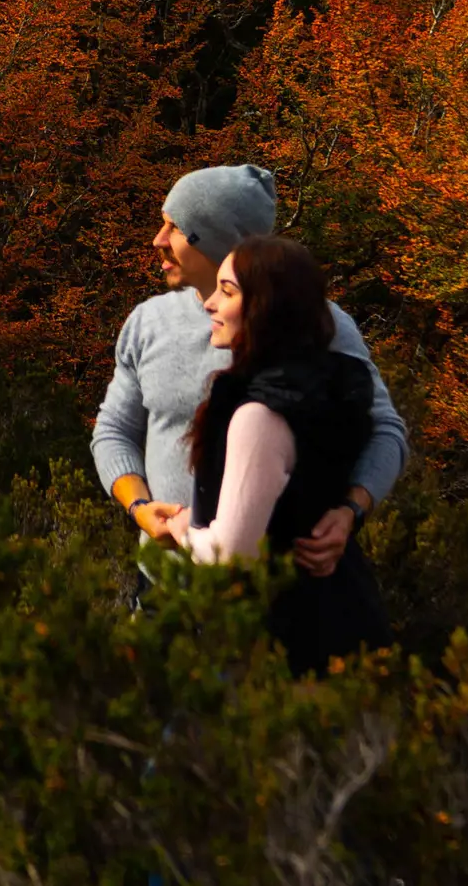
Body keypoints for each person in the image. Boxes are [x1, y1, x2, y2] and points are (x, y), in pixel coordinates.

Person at [92, 163, 404, 575]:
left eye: (176, 228)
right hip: (162, 599)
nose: (158, 240)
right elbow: (114, 430)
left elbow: (386, 430)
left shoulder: (316, 323)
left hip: (274, 608)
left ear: (223, 242)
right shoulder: (148, 324)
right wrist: (140, 508)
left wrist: (351, 511)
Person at [168, 236, 395, 672]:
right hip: (349, 627)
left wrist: (182, 529)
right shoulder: (327, 388)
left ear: (266, 307)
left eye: (228, 292)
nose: (210, 304)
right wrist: (352, 509)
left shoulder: (261, 414)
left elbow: (231, 556)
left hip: (281, 650)